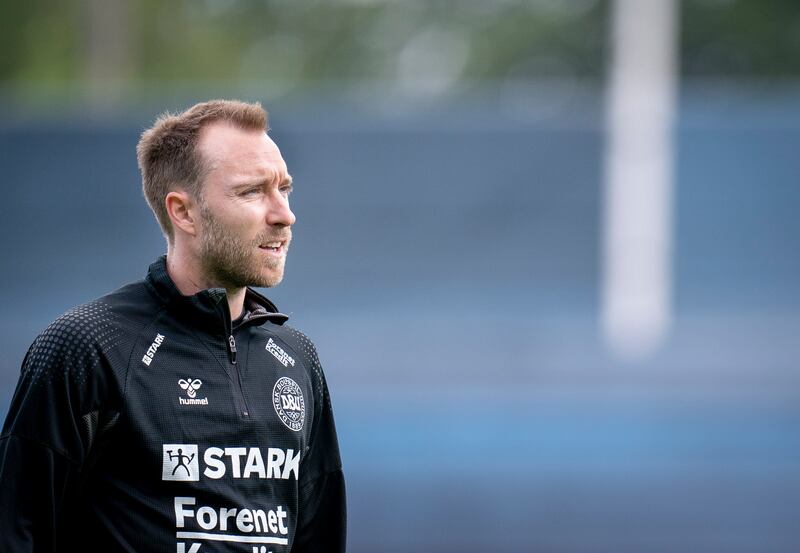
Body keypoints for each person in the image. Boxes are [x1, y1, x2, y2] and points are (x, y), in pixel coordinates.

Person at [0, 100, 346, 552]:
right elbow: (16, 533)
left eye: (285, 189)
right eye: (252, 192)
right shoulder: (87, 347)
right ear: (184, 212)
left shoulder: (298, 359)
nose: (284, 214)